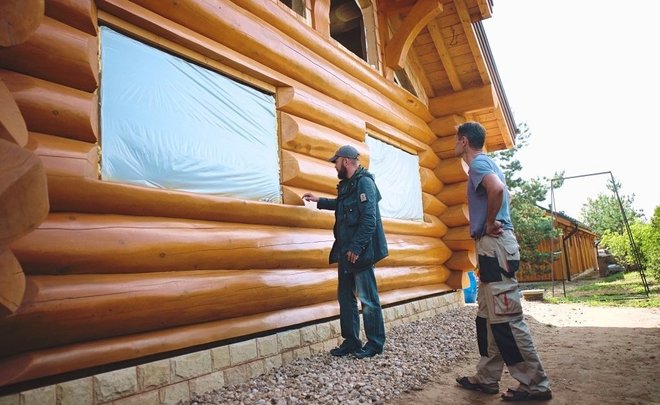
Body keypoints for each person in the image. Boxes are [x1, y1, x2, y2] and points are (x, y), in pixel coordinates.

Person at [453, 122, 552, 401]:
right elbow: (503, 192)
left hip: (495, 246)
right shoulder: (490, 163)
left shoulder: (479, 165)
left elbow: (497, 190)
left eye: (455, 140)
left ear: (463, 142)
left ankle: (535, 384)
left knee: (506, 318)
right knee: (487, 316)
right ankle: (486, 377)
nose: (454, 145)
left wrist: (489, 222)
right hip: (492, 249)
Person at [303, 145, 388, 359]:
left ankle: (375, 344)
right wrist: (318, 201)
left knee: (368, 299)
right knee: (346, 298)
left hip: (360, 252)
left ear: (347, 161)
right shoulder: (348, 185)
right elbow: (341, 205)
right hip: (345, 251)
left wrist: (357, 248)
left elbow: (369, 219)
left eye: (336, 162)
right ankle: (351, 341)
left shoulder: (365, 183)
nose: (335, 166)